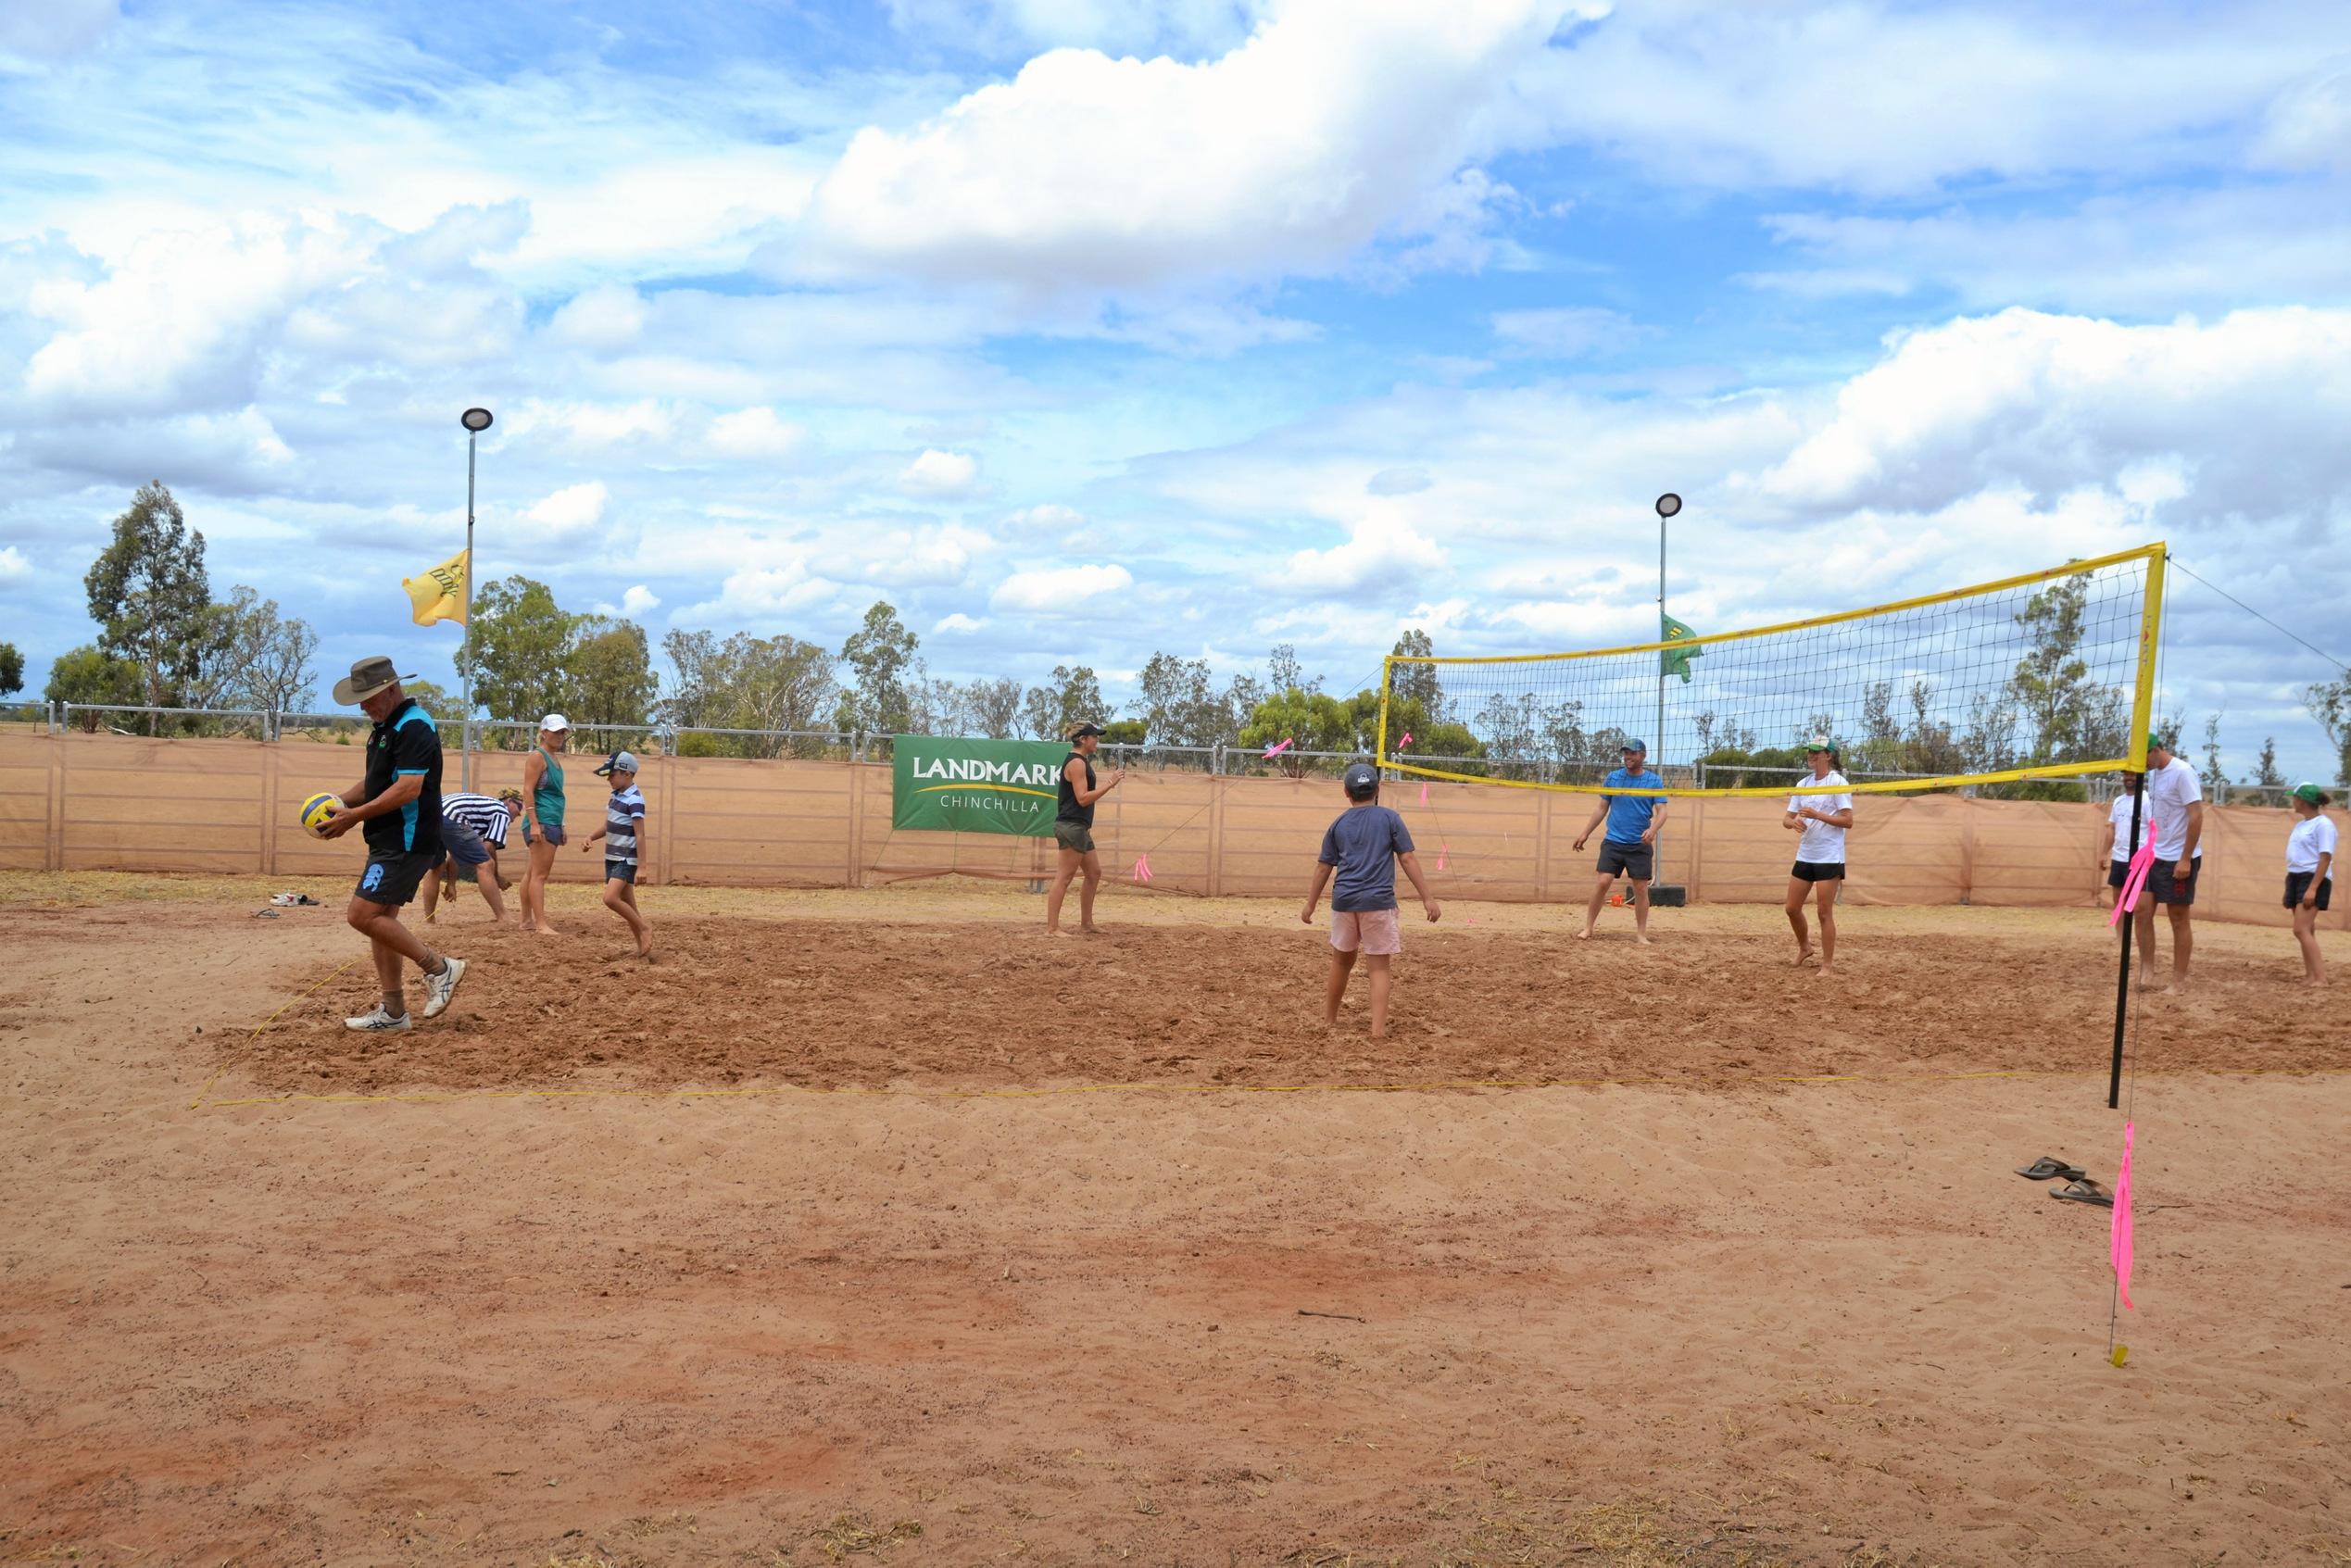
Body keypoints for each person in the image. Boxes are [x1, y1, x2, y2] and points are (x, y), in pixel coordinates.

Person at [315, 656, 466, 1032]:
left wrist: (356, 816)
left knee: (361, 916)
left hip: (407, 839)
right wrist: (339, 806)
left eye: (368, 698)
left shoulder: (414, 726)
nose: (363, 706)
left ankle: (440, 967)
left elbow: (408, 788)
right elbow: (376, 782)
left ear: (391, 689)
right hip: (389, 838)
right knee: (380, 922)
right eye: (360, 700)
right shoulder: (385, 727)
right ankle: (394, 1012)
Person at [1301, 760, 1440, 1038]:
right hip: (1378, 902)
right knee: (1378, 967)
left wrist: (1310, 903)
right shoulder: (1390, 818)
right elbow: (1407, 858)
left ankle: (1329, 1020)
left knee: (1341, 961)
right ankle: (1377, 1032)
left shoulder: (1338, 824)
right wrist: (1428, 898)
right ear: (1378, 790)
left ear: (1345, 792)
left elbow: (1323, 867)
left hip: (1345, 902)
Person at [1571, 737, 1668, 943]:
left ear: (1642, 755)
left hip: (1639, 843)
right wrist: (1585, 833)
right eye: (1625, 753)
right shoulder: (1614, 778)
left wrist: (1653, 829)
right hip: (1614, 841)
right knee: (1603, 881)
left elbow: (1662, 812)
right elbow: (1601, 808)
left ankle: (1641, 934)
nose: (1627, 757)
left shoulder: (1653, 781)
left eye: (1632, 753)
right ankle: (1588, 928)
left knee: (1641, 888)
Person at [2137, 732, 2204, 993]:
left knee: (2178, 917)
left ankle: (2178, 981)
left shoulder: (2183, 772)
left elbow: (2196, 816)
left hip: (2178, 857)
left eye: (2141, 756)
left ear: (2154, 750)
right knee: (2141, 912)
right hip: (2153, 855)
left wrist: (2185, 858)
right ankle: (2147, 970)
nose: (2138, 764)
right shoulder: (2152, 775)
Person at [1781, 737, 1854, 977]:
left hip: (1829, 857)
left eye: (1816, 752)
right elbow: (1786, 819)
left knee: (1824, 913)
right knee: (1792, 908)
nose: (1811, 755)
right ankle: (1804, 948)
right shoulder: (1803, 784)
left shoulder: (1838, 783)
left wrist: (1817, 815)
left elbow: (1848, 821)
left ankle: (1827, 965)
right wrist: (1794, 823)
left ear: (1828, 755)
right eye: (1809, 752)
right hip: (1806, 854)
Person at [1045, 721, 1125, 937]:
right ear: (1083, 739)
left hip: (1078, 827)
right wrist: (1110, 783)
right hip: (1072, 826)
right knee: (1064, 877)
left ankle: (1087, 924)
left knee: (1094, 873)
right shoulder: (1077, 763)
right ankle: (1052, 928)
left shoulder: (1081, 761)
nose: (1097, 740)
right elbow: (1082, 799)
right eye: (1095, 736)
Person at [581, 750, 654, 958]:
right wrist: (591, 837)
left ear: (627, 774)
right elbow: (609, 825)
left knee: (610, 898)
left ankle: (644, 928)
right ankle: (642, 950)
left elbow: (640, 835)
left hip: (625, 858)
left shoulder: (635, 800)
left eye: (612, 775)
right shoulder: (615, 796)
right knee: (629, 904)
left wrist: (642, 867)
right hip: (612, 857)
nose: (609, 780)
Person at [421, 787, 523, 924]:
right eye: (519, 807)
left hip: (428, 813)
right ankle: (503, 916)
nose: (519, 814)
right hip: (450, 816)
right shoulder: (501, 811)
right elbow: (488, 848)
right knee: (486, 864)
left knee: (436, 867)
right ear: (509, 801)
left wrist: (451, 884)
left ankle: (430, 920)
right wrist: (497, 877)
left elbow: (457, 850)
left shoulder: (478, 810)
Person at [519, 713, 571, 937]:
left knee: (532, 873)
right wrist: (534, 824)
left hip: (551, 821)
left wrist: (562, 824)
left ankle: (526, 920)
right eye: (556, 731)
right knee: (540, 875)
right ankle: (540, 924)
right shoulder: (538, 757)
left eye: (563, 732)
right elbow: (528, 790)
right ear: (543, 732)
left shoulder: (554, 759)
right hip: (542, 822)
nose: (560, 736)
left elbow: (556, 795)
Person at [2284, 782, 2335, 986]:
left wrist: (2313, 887)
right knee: (2307, 929)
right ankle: (2311, 975)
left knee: (2300, 929)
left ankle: (2321, 977)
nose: (2293, 801)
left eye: (2295, 798)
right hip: (2296, 876)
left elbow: (2325, 857)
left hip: (2312, 877)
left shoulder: (2323, 825)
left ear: (2302, 801)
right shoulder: (2303, 824)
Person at [2098, 771, 2150, 908]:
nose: (2129, 778)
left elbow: (2154, 829)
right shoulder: (2118, 801)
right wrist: (2104, 853)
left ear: (2140, 776)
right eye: (2126, 775)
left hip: (2138, 859)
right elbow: (2112, 829)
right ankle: (2121, 930)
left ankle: (2136, 930)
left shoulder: (2147, 800)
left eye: (2132, 775)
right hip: (2118, 859)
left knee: (2138, 906)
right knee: (2119, 903)